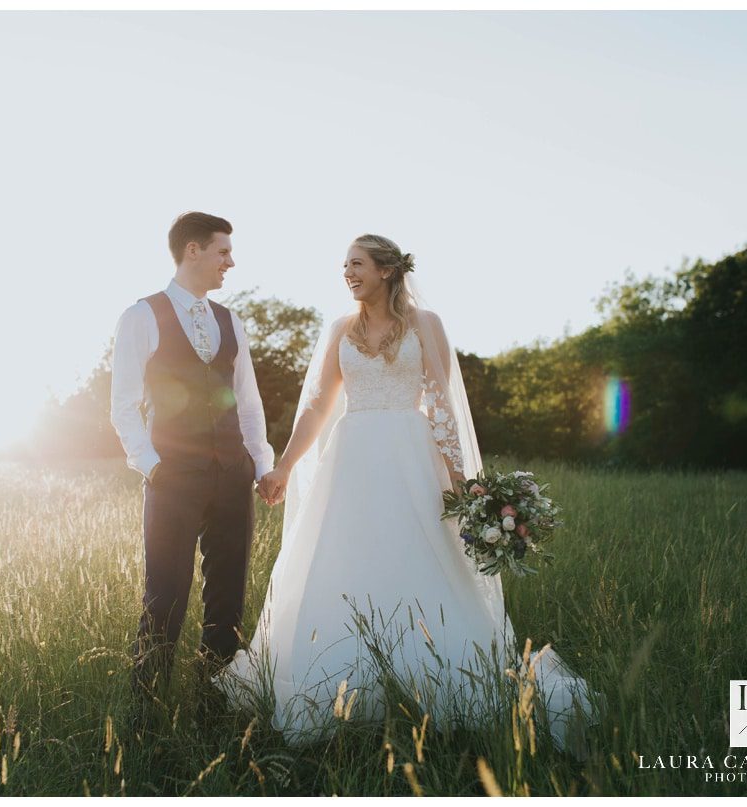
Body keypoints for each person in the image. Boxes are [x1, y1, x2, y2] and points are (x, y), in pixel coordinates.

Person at [213, 234, 601, 757]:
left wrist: (467, 485)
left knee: (420, 560)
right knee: (344, 565)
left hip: (413, 461)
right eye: (345, 265)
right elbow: (317, 408)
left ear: (388, 270)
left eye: (358, 264)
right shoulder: (339, 330)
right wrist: (284, 466)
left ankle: (436, 688)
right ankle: (336, 689)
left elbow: (440, 402)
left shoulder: (425, 324)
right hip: (350, 463)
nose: (348, 273)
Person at [110, 211, 279, 712]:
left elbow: (247, 402)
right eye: (223, 251)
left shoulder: (231, 320)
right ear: (193, 251)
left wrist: (261, 463)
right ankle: (147, 712)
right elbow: (123, 405)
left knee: (227, 598)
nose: (231, 261)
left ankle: (215, 704)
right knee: (165, 597)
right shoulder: (141, 315)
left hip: (233, 474)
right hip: (172, 478)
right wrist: (152, 465)